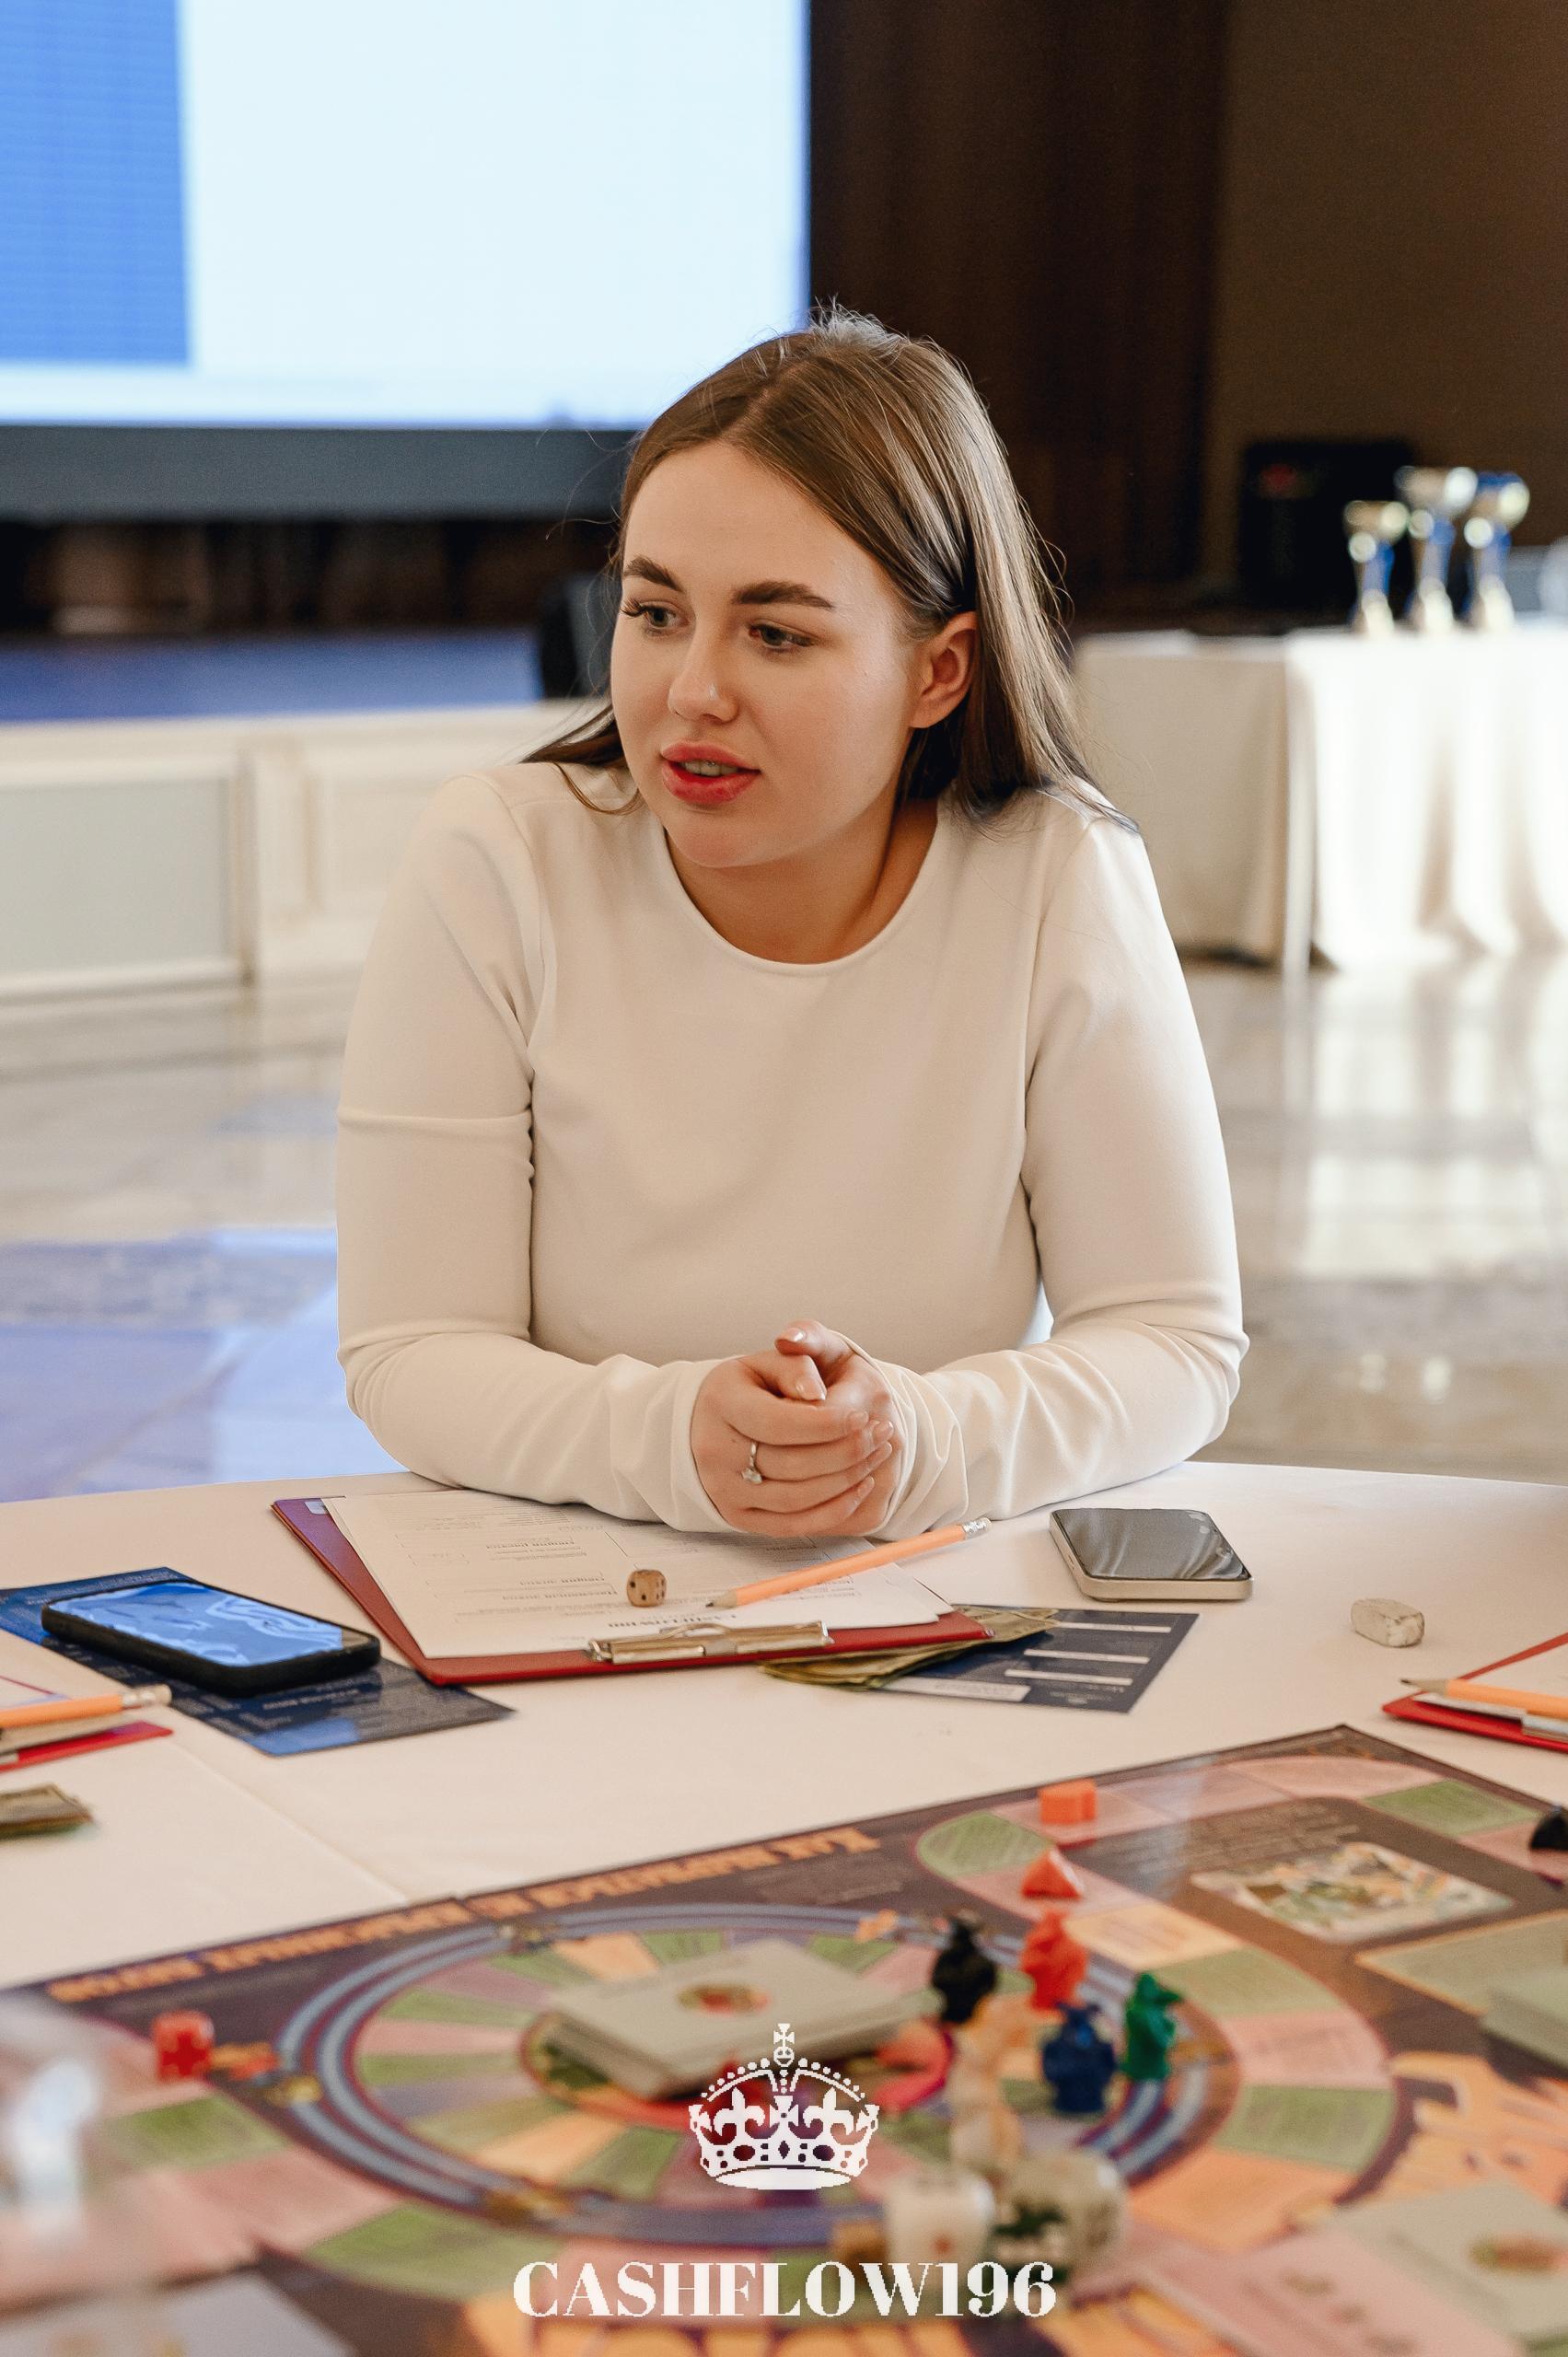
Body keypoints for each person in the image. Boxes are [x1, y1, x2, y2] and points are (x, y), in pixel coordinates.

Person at [336, 305, 1245, 1542]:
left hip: (919, 1588)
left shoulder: (1056, 878)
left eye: (775, 633)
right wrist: (672, 1439)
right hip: (579, 1574)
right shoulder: (497, 860)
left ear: (939, 671)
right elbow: (410, 1351)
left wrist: (916, 1438)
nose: (693, 692)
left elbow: (1173, 1342)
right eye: (655, 613)